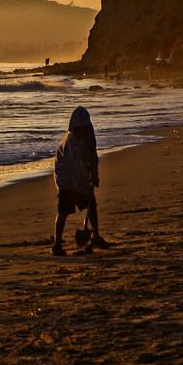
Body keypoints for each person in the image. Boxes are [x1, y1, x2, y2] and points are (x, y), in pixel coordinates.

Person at [51, 106, 110, 256]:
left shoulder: (89, 137)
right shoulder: (70, 141)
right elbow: (75, 165)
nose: (83, 129)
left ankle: (95, 236)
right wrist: (86, 182)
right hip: (65, 179)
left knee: (92, 205)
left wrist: (94, 175)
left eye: (85, 126)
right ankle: (57, 244)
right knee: (63, 211)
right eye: (80, 127)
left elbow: (93, 157)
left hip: (82, 178)